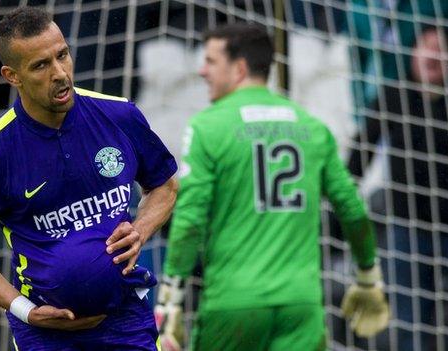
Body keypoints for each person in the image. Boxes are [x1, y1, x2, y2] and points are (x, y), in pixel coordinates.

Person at [0, 6, 178, 351]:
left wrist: (141, 229)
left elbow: (165, 184)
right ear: (12, 75)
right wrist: (24, 310)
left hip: (126, 319)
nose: (60, 72)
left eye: (62, 55)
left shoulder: (119, 115)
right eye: (41, 65)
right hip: (45, 335)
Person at [154, 23, 389, 351]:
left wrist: (170, 298)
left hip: (234, 305)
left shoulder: (208, 127)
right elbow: (351, 208)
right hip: (301, 305)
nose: (202, 71)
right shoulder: (312, 127)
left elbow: (190, 220)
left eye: (210, 61)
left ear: (239, 68)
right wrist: (368, 276)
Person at [349, 25, 448, 351]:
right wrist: (343, 197)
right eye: (426, 46)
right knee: (408, 319)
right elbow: (360, 153)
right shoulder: (393, 96)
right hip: (408, 228)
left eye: (440, 47)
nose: (433, 54)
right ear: (413, 54)